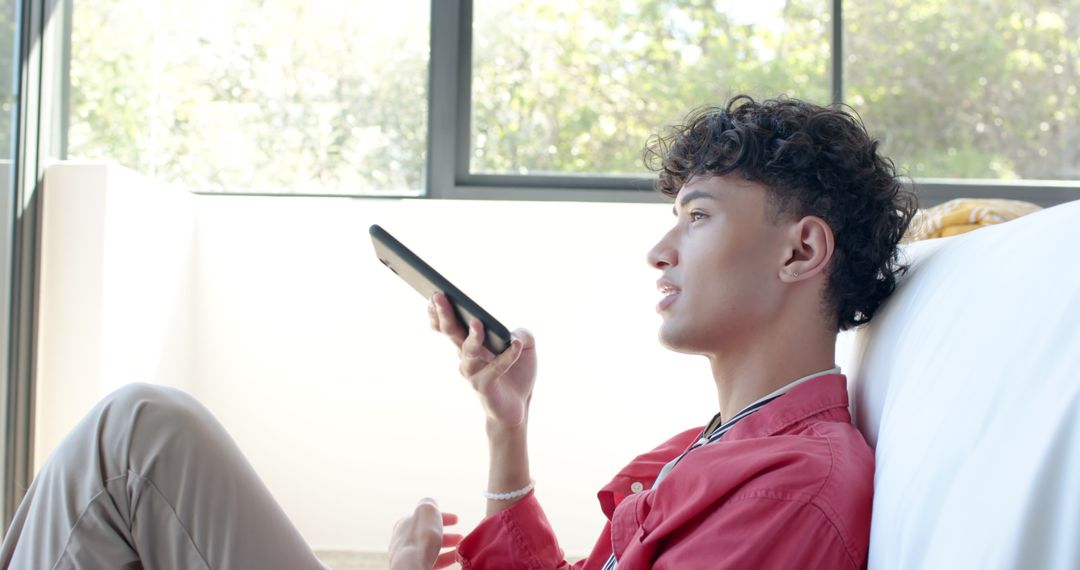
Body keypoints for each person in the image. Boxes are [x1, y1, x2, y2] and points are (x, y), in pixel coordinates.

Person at [0, 94, 915, 569]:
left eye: (700, 216)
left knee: (137, 440)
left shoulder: (793, 489)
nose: (659, 250)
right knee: (140, 443)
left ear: (801, 252)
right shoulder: (714, 448)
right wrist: (506, 431)